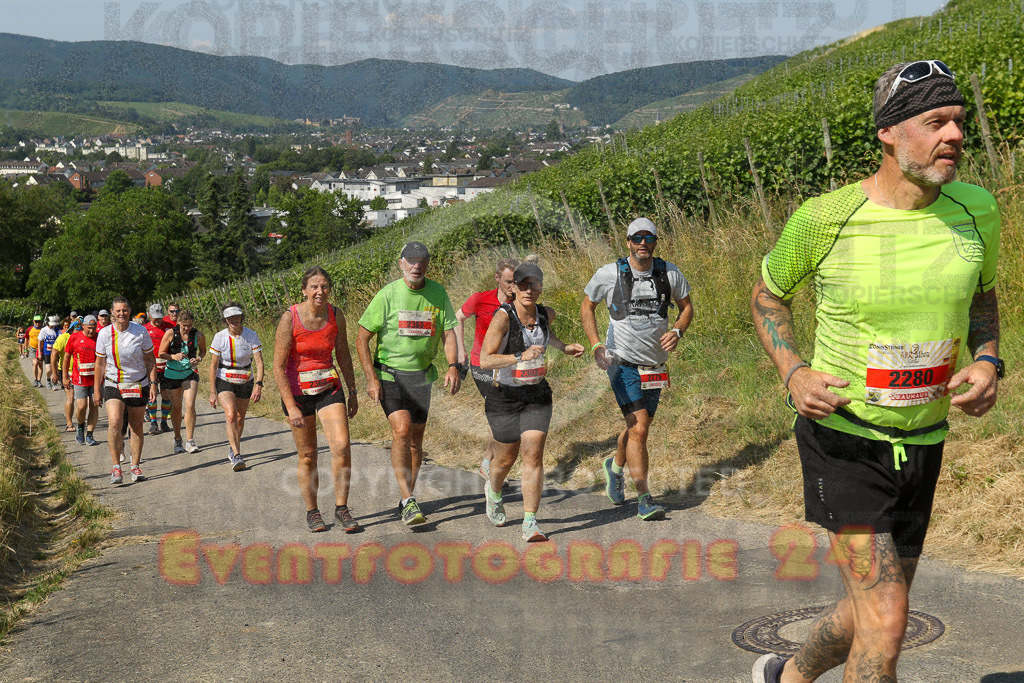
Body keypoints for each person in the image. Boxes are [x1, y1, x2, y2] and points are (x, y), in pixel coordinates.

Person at [749, 61, 1002, 683]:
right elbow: (766, 294)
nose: (954, 136)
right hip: (846, 436)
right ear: (889, 132)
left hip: (925, 437)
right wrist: (794, 372)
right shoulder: (824, 217)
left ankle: (787, 675)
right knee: (888, 621)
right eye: (935, 122)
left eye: (959, 123)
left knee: (871, 609)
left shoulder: (977, 211)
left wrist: (988, 358)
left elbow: (982, 296)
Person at [581, 217, 694, 520]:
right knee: (640, 427)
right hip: (621, 361)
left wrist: (679, 331)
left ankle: (615, 468)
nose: (642, 243)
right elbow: (587, 305)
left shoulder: (670, 273)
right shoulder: (609, 273)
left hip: (654, 365)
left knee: (638, 430)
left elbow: (686, 307)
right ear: (627, 241)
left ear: (656, 242)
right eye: (636, 238)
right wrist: (595, 344)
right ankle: (644, 497)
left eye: (649, 238)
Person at [356, 241, 460, 527]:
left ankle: (406, 498)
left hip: (422, 377)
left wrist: (453, 365)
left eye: (422, 261)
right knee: (401, 430)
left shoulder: (438, 293)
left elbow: (449, 333)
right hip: (391, 375)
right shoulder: (388, 294)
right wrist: (370, 378)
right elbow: (362, 336)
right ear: (401, 263)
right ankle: (408, 499)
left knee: (416, 440)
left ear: (427, 264)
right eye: (410, 261)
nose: (416, 266)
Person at [479, 262, 584, 541]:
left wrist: (564, 347)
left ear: (540, 287)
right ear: (512, 287)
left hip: (536, 393)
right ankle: (495, 491)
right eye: (521, 284)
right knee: (505, 458)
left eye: (533, 284)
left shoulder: (546, 314)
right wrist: (519, 357)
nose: (528, 289)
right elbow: (485, 359)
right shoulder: (503, 317)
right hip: (504, 396)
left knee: (533, 454)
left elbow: (546, 336)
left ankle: (530, 522)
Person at [274, 267, 361, 533]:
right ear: (304, 290)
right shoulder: (290, 318)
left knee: (342, 447)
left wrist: (353, 390)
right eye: (314, 287)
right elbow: (278, 366)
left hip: (329, 387)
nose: (320, 292)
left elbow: (343, 353)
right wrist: (290, 406)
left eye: (324, 286)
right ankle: (312, 512)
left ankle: (342, 508)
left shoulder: (336, 314)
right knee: (308, 455)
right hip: (298, 393)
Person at [455, 256, 520, 480]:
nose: (513, 287)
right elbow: (458, 318)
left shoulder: (519, 302)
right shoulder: (480, 299)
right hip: (481, 364)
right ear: (497, 278)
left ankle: (490, 462)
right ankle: (487, 463)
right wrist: (460, 351)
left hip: (507, 365)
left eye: (516, 282)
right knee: (499, 413)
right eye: (509, 282)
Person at [93, 297, 158, 484]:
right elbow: (99, 363)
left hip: (138, 383)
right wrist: (97, 390)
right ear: (112, 312)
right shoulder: (105, 334)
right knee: (114, 421)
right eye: (118, 311)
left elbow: (150, 359)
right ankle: (116, 467)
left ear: (130, 311)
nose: (122, 314)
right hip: (114, 383)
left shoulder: (140, 331)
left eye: (125, 310)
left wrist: (153, 383)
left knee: (136, 425)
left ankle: (135, 466)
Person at [208, 302, 265, 471]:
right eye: (230, 317)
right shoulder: (220, 337)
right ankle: (236, 454)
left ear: (241, 317)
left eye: (237, 316)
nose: (234, 320)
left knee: (240, 418)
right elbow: (213, 365)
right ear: (225, 320)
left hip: (245, 378)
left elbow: (260, 362)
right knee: (231, 415)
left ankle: (232, 446)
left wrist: (259, 385)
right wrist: (212, 391)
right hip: (224, 378)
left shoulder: (251, 335)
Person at [158, 310, 206, 454]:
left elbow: (202, 351)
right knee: (177, 407)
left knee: (190, 405)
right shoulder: (170, 333)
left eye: (189, 325)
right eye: (184, 325)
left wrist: (198, 359)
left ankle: (190, 441)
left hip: (189, 373)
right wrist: (173, 356)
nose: (186, 328)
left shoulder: (198, 335)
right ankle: (177, 438)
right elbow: (161, 353)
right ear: (178, 322)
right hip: (172, 374)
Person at [64, 315, 100, 446]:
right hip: (79, 378)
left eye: (94, 328)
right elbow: (67, 357)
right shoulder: (74, 337)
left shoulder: (99, 337)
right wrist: (65, 377)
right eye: (89, 328)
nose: (91, 331)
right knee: (82, 406)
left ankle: (90, 435)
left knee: (94, 406)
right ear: (83, 326)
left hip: (96, 379)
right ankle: (80, 426)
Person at [144, 303, 173, 434]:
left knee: (167, 396)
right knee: (152, 396)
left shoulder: (170, 327)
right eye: (155, 317)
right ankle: (153, 422)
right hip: (151, 369)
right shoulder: (144, 329)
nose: (158, 320)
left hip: (167, 368)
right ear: (149, 315)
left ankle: (164, 421)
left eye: (160, 317)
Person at [51, 318, 78, 431]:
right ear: (71, 330)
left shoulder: (86, 337)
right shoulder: (63, 338)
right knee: (71, 397)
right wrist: (54, 373)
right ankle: (69, 423)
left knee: (82, 400)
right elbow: (54, 354)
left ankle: (81, 421)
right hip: (67, 371)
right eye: (77, 330)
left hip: (81, 372)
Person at [37, 316, 60, 390]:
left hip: (55, 352)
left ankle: (55, 384)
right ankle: (48, 379)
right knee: (48, 369)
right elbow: (40, 341)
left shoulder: (56, 330)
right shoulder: (44, 330)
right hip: (46, 352)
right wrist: (40, 353)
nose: (52, 325)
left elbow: (61, 338)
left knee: (55, 368)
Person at [28, 315, 43, 385]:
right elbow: (26, 338)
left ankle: (39, 380)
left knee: (40, 365)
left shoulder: (43, 329)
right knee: (35, 363)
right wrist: (25, 349)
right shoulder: (30, 329)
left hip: (41, 350)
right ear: (33, 321)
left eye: (39, 322)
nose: (37, 323)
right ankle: (35, 379)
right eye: (36, 322)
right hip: (32, 349)